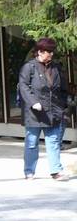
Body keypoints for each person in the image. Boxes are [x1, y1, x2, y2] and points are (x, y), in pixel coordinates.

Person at [19, 37, 70, 181]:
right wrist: (33, 102)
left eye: (52, 52)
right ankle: (29, 171)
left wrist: (62, 105)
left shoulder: (56, 67)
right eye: (49, 51)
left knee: (53, 142)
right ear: (40, 52)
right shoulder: (29, 67)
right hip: (34, 112)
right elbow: (23, 86)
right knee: (31, 143)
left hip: (53, 111)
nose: (51, 54)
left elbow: (63, 88)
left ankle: (56, 171)